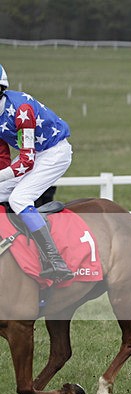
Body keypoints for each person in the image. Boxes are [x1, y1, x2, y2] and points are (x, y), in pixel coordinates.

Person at [0, 64, 73, 283]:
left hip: (54, 153)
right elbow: (3, 157)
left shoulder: (22, 110)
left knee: (19, 198)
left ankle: (55, 260)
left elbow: (26, 162)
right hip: (32, 154)